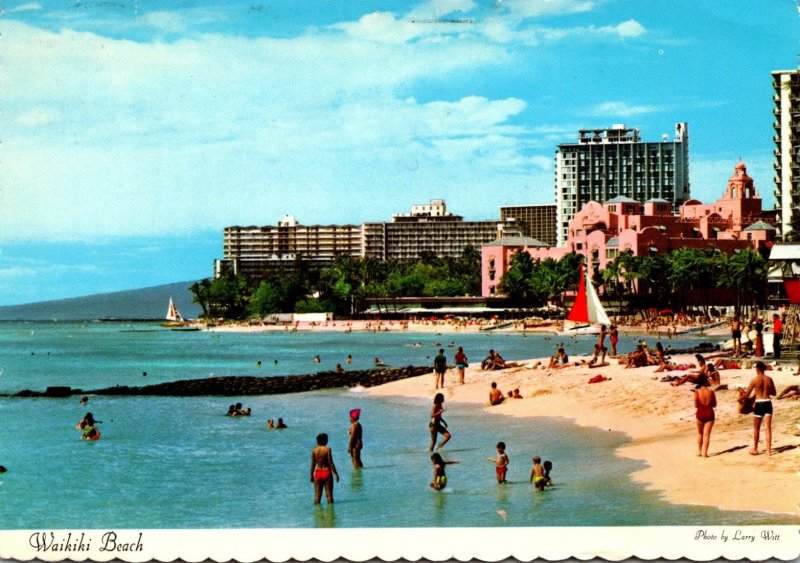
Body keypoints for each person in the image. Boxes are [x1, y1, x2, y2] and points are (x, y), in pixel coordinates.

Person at [743, 361, 777, 456]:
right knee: (768, 428)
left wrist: (740, 398)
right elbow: (774, 393)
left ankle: (755, 448)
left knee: (756, 428)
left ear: (757, 369)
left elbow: (747, 394)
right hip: (767, 402)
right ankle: (768, 451)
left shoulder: (754, 380)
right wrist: (767, 390)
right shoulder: (769, 379)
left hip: (759, 403)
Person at [310, 433, 339, 504]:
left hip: (318, 473)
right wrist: (336, 474)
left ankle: (317, 514)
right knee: (329, 496)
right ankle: (331, 514)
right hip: (327, 472)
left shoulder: (314, 450)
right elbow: (331, 463)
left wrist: (311, 475)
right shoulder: (327, 449)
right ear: (325, 440)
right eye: (327, 439)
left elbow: (313, 464)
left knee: (317, 496)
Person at [694, 375, 717, 457]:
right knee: (707, 434)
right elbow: (714, 404)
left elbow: (696, 405)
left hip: (700, 412)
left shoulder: (697, 391)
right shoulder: (711, 391)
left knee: (700, 433)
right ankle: (705, 453)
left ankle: (699, 451)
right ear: (706, 381)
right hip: (709, 412)